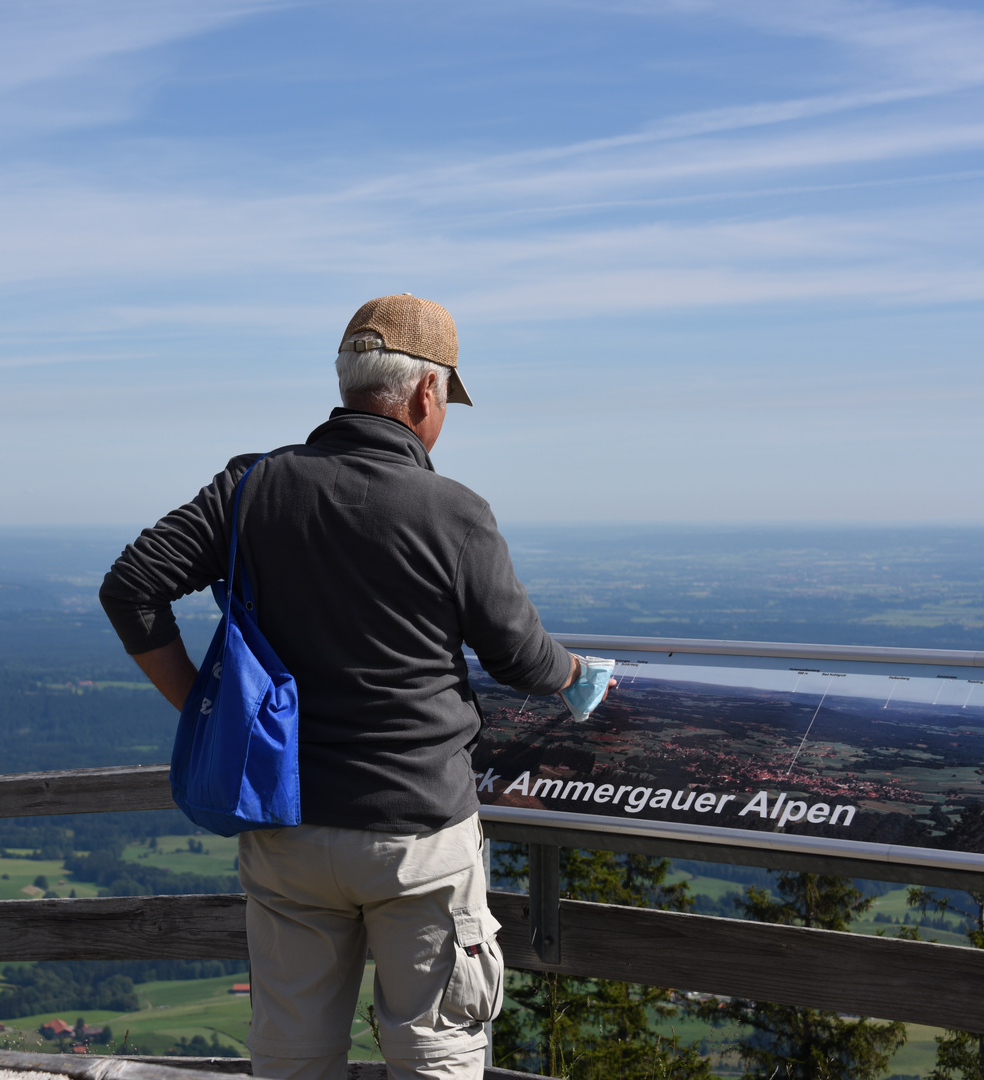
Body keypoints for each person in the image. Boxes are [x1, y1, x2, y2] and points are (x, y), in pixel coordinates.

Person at [98, 294, 606, 1080]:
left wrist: (206, 709)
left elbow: (131, 586)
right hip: (419, 834)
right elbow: (520, 659)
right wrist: (576, 675)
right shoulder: (454, 513)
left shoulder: (249, 487)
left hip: (286, 826)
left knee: (292, 1059)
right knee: (435, 1054)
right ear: (424, 393)